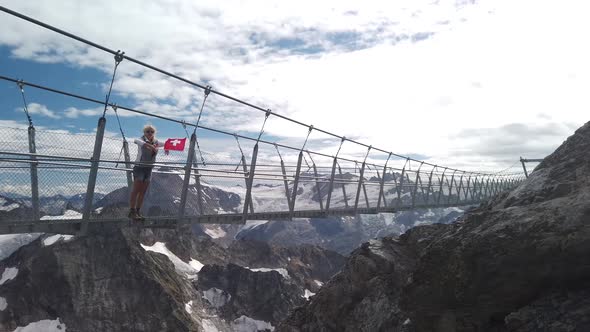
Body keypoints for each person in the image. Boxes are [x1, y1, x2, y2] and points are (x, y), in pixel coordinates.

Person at [128, 124, 168, 221]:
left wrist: (167, 147)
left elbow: (167, 143)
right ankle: (132, 211)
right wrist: (151, 146)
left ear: (154, 133)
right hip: (139, 168)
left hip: (149, 169)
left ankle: (138, 211)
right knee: (136, 190)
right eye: (147, 131)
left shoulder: (156, 142)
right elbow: (137, 141)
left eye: (152, 132)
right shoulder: (141, 140)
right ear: (144, 132)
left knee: (143, 192)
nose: (150, 133)